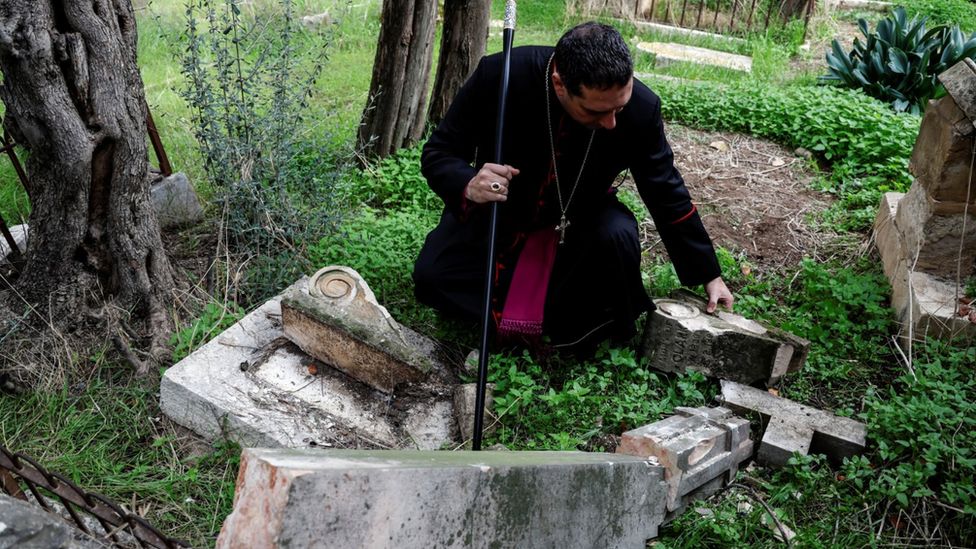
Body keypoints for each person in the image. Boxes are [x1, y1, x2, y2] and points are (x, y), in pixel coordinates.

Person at [413, 21, 733, 349]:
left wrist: (708, 273)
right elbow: (440, 153)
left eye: (619, 107)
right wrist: (469, 183)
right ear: (559, 84)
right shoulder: (501, 74)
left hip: (581, 222)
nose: (611, 123)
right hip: (502, 216)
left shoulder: (642, 108)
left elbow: (665, 190)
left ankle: (565, 315)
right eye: (596, 111)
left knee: (617, 236)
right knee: (433, 278)